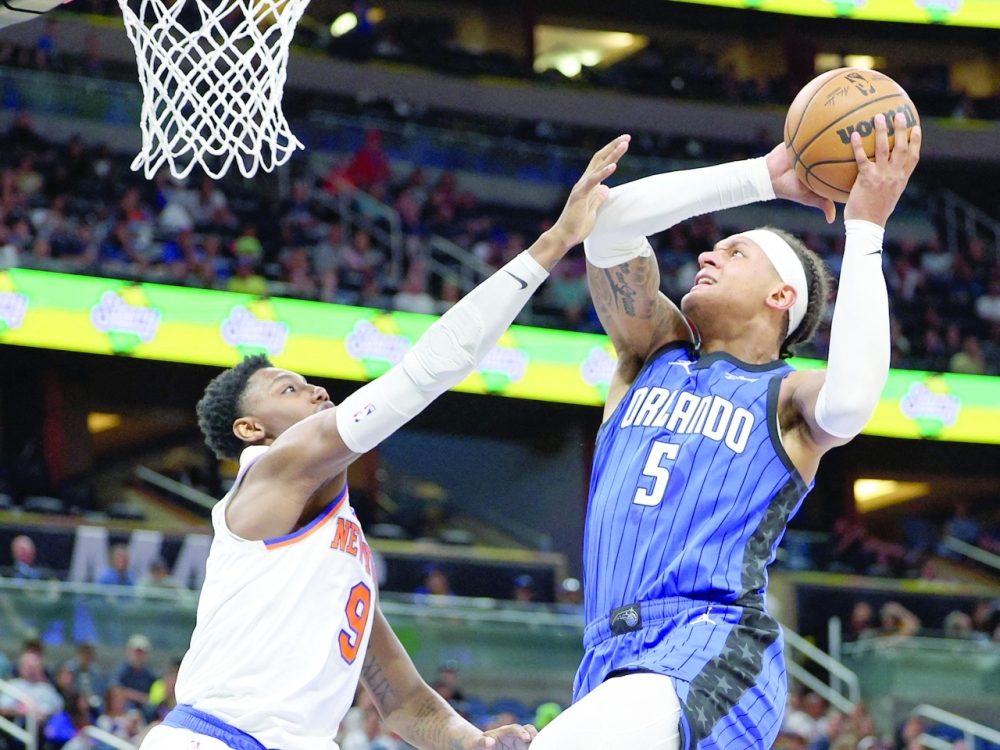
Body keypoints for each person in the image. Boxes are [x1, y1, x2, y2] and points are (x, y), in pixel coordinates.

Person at [137, 138, 625, 750]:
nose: (316, 390)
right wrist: (553, 242)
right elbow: (428, 369)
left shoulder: (341, 547)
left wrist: (476, 744)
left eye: (308, 382)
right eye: (288, 388)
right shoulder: (274, 469)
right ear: (250, 430)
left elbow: (403, 701)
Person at [531, 114, 921, 750]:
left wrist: (866, 228)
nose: (707, 254)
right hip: (606, 655)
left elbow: (851, 402)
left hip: (713, 643)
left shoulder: (788, 398)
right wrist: (761, 176)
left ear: (780, 296)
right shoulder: (649, 353)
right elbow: (609, 227)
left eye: (736, 252)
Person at [0, 652, 64, 721]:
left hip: (44, 723)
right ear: (21, 668)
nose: (32, 670)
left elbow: (59, 708)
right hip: (19, 722)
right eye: (29, 667)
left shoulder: (47, 688)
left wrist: (44, 714)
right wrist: (24, 712)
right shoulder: (13, 685)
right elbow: (3, 708)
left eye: (35, 667)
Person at [114, 635, 157, 707]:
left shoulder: (151, 674)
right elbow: (116, 690)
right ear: (128, 652)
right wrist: (141, 698)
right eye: (136, 652)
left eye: (141, 653)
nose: (138, 656)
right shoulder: (121, 672)